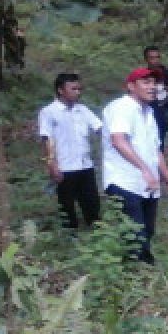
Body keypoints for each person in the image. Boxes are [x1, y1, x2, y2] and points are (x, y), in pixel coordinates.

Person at [102, 67, 168, 264]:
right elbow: (118, 140)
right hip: (125, 181)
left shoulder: (149, 112)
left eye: (154, 83)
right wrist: (144, 169)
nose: (152, 87)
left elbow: (155, 151)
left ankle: (143, 272)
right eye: (146, 83)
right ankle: (133, 276)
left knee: (147, 232)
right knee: (134, 235)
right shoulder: (122, 107)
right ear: (131, 86)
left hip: (148, 185)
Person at [38, 73, 102, 229]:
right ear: (61, 90)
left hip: (85, 165)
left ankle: (96, 232)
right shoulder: (49, 112)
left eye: (79, 89)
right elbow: (47, 139)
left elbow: (100, 128)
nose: (77, 92)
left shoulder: (83, 110)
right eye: (73, 88)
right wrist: (52, 164)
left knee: (92, 202)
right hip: (65, 166)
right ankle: (70, 235)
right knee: (67, 205)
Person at [143, 46, 168, 146]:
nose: (155, 60)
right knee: (156, 143)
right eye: (151, 58)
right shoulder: (143, 76)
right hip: (152, 114)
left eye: (157, 57)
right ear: (146, 59)